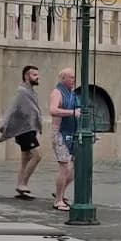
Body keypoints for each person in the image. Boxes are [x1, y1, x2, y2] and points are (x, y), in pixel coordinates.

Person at [0, 65, 43, 198]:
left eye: (37, 74)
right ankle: (23, 184)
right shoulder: (22, 92)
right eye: (34, 75)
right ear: (26, 76)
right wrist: (5, 125)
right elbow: (13, 108)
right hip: (23, 130)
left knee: (25, 159)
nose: (37, 77)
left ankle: (21, 187)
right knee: (37, 155)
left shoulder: (31, 92)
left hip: (30, 129)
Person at [49, 68, 80, 212]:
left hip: (71, 132)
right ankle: (58, 200)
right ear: (63, 79)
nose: (73, 80)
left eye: (74, 77)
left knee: (74, 167)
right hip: (59, 132)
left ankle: (60, 192)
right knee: (65, 166)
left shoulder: (72, 94)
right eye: (71, 77)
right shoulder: (57, 92)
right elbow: (53, 110)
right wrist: (72, 112)